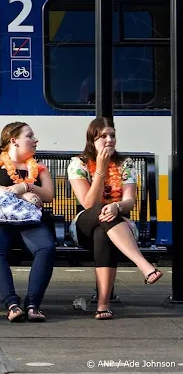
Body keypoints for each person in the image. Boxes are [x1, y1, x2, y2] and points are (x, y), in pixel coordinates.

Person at [67, 117, 163, 320]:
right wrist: (101, 169)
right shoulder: (78, 163)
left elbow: (129, 201)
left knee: (103, 233)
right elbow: (88, 204)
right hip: (85, 225)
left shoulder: (124, 164)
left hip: (119, 224)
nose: (109, 140)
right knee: (100, 210)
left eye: (112, 135)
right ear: (92, 139)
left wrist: (117, 206)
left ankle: (103, 305)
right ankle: (143, 265)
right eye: (103, 136)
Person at [0, 122, 56, 322]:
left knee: (46, 247)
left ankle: (33, 304)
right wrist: (21, 195)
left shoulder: (39, 168)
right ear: (14, 141)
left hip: (29, 221)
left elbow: (48, 195)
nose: (35, 140)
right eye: (29, 136)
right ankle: (12, 304)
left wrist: (26, 187)